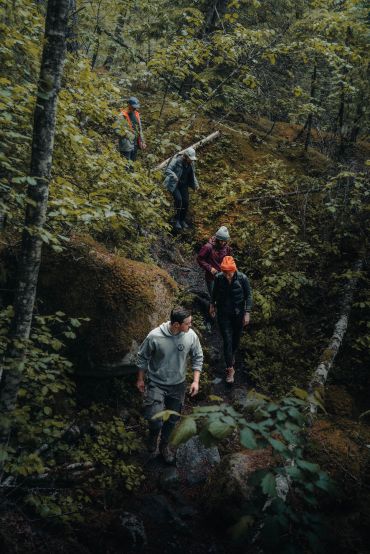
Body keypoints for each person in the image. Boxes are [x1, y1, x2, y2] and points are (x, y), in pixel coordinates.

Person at [136, 306, 203, 463]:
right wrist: (140, 379)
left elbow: (198, 356)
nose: (191, 325)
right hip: (156, 383)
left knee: (172, 420)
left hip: (178, 385)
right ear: (176, 325)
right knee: (154, 418)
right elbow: (142, 357)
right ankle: (153, 436)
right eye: (188, 323)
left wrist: (195, 380)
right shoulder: (155, 336)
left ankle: (164, 446)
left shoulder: (191, 336)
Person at [210, 256, 252, 385]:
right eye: (225, 273)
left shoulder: (242, 278)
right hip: (223, 314)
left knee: (235, 339)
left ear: (234, 270)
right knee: (227, 340)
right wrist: (212, 305)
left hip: (238, 314)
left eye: (230, 273)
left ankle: (231, 354)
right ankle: (230, 369)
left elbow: (248, 295)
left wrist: (247, 313)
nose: (228, 276)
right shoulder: (218, 278)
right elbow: (214, 292)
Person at [164, 148, 199, 231]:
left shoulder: (191, 163)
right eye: (190, 159)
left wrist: (196, 185)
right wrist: (174, 175)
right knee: (179, 200)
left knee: (186, 202)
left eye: (192, 159)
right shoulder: (176, 160)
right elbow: (167, 170)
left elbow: (192, 175)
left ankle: (182, 220)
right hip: (174, 185)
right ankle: (176, 219)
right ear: (185, 157)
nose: (191, 161)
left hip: (184, 185)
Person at [197, 226, 232, 298]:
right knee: (214, 297)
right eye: (221, 241)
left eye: (224, 241)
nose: (223, 243)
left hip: (223, 276)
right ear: (217, 239)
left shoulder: (227, 248)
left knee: (223, 297)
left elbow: (229, 260)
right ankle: (212, 307)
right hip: (211, 277)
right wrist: (210, 268)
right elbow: (200, 259)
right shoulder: (208, 247)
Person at [114, 96, 146, 163]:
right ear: (128, 105)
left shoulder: (137, 114)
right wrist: (129, 135)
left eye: (136, 107)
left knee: (132, 166)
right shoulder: (121, 116)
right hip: (126, 146)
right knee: (125, 166)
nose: (135, 108)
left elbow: (140, 129)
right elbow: (117, 130)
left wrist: (142, 141)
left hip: (135, 145)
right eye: (133, 106)